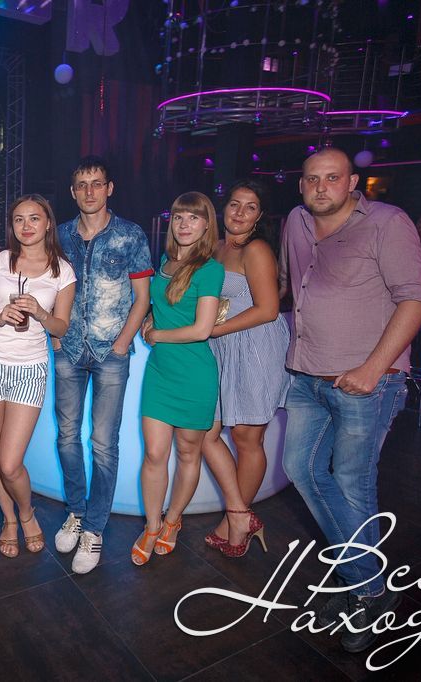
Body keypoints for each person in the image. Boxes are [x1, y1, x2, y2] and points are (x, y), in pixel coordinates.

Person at [280, 147, 421, 654]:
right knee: (301, 470)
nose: (320, 187)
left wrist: (372, 369)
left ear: (353, 183)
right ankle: (366, 585)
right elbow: (292, 288)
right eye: (312, 179)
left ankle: (365, 592)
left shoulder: (388, 223)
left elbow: (416, 299)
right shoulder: (296, 222)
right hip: (307, 376)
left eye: (332, 178)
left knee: (351, 484)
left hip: (368, 382)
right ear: (301, 184)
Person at [134, 192, 258, 566]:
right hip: (160, 373)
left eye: (193, 217)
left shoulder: (209, 270)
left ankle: (173, 520)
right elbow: (163, 305)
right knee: (154, 454)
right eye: (178, 217)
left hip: (194, 375)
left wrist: (156, 334)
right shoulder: (165, 262)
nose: (184, 224)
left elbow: (202, 329)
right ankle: (152, 525)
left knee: (189, 453)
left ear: (206, 225)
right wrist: (152, 318)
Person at [53, 156, 153, 575]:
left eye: (97, 183)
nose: (89, 191)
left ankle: (94, 528)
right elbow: (48, 285)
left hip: (111, 351)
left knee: (104, 444)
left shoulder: (130, 235)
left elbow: (142, 297)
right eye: (82, 184)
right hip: (69, 349)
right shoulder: (59, 235)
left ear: (109, 188)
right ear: (73, 191)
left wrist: (123, 344)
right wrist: (56, 334)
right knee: (66, 437)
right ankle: (76, 513)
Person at [0, 194, 75, 558]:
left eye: (34, 218)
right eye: (18, 219)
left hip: (30, 368)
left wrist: (41, 314)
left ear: (48, 223)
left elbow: (61, 327)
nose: (26, 226)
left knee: (10, 461)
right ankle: (10, 520)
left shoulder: (63, 271)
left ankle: (27, 513)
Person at [198, 180, 291, 552]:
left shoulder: (256, 249)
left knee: (246, 438)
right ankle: (241, 514)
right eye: (235, 204)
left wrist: (213, 329)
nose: (239, 212)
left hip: (255, 345)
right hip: (222, 346)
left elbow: (268, 310)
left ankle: (232, 524)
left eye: (250, 207)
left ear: (260, 215)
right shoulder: (216, 247)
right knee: (205, 432)